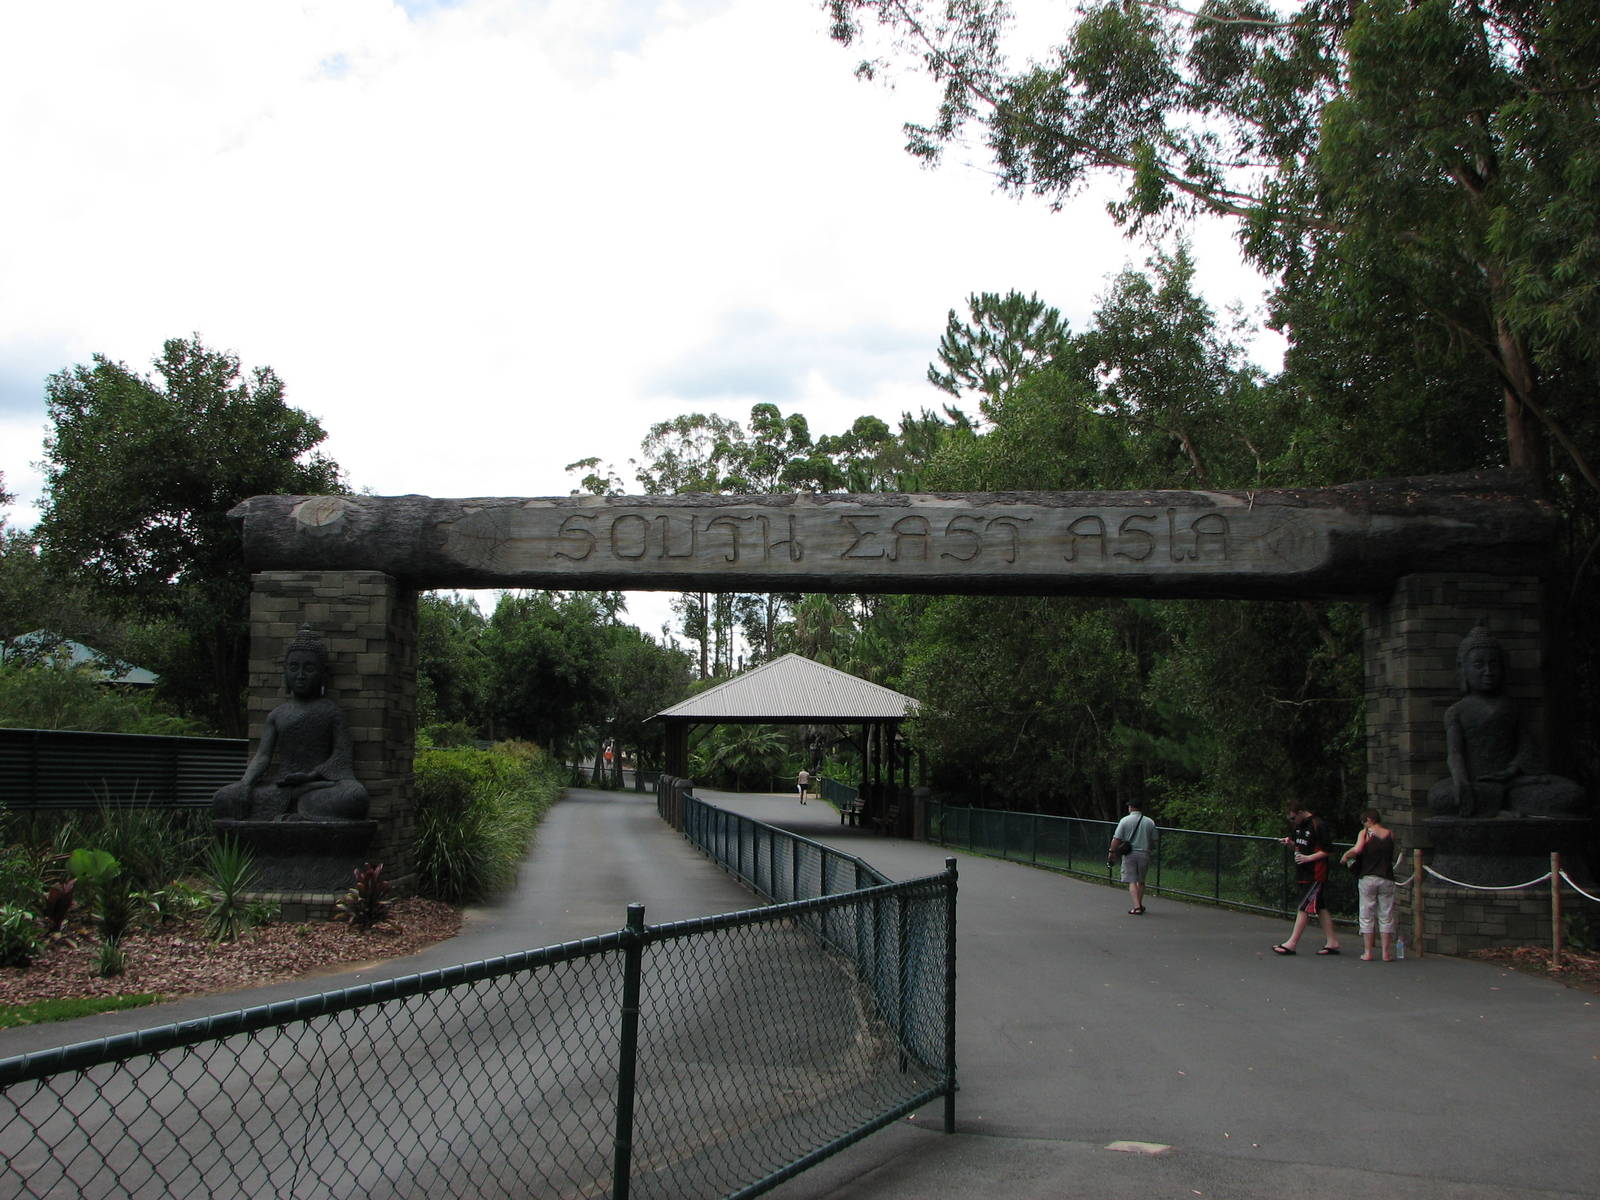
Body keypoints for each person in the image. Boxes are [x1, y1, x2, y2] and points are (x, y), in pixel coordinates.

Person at [212, 624, 370, 822]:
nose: (301, 675)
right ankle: (296, 814)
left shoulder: (332, 712)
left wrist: (311, 776)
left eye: (309, 668)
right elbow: (262, 756)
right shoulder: (277, 714)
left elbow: (342, 757)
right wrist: (245, 783)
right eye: (294, 667)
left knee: (356, 796)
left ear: (322, 674)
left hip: (318, 786)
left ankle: (295, 814)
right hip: (281, 786)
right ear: (285, 672)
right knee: (223, 798)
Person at [1426, 625, 1585, 818]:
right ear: (1463, 669)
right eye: (1479, 665)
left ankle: (1499, 806)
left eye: (1494, 664)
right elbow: (1455, 753)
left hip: (1514, 784)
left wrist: (1512, 770)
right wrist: (1461, 782)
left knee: (1572, 793)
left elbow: (1527, 748)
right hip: (1477, 783)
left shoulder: (1510, 708)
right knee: (1439, 797)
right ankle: (1503, 809)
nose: (1488, 671)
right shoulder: (1457, 711)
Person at [1272, 803, 1342, 955]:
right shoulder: (1298, 827)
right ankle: (1332, 941)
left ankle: (1292, 943)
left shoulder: (1318, 824)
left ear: (1301, 812)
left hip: (1316, 873)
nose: (1292, 821)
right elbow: (1298, 845)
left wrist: (1308, 858)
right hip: (1303, 872)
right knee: (1320, 907)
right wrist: (1290, 843)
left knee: (1304, 906)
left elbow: (1328, 850)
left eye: (1293, 818)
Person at [1340, 809, 1399, 961]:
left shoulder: (1365, 833)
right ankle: (1386, 953)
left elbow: (1358, 849)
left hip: (1368, 877)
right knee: (1386, 914)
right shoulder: (1390, 834)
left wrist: (1346, 855)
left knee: (1366, 913)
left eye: (1363, 821)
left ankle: (1368, 952)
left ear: (1369, 820)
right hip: (1386, 877)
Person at [1111, 800, 1158, 914]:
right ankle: (1139, 904)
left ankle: (1136, 907)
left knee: (1132, 880)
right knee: (1141, 881)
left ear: (1131, 807)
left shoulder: (1125, 820)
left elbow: (1116, 838)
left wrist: (1112, 852)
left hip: (1129, 854)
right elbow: (1155, 839)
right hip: (1144, 853)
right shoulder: (1149, 822)